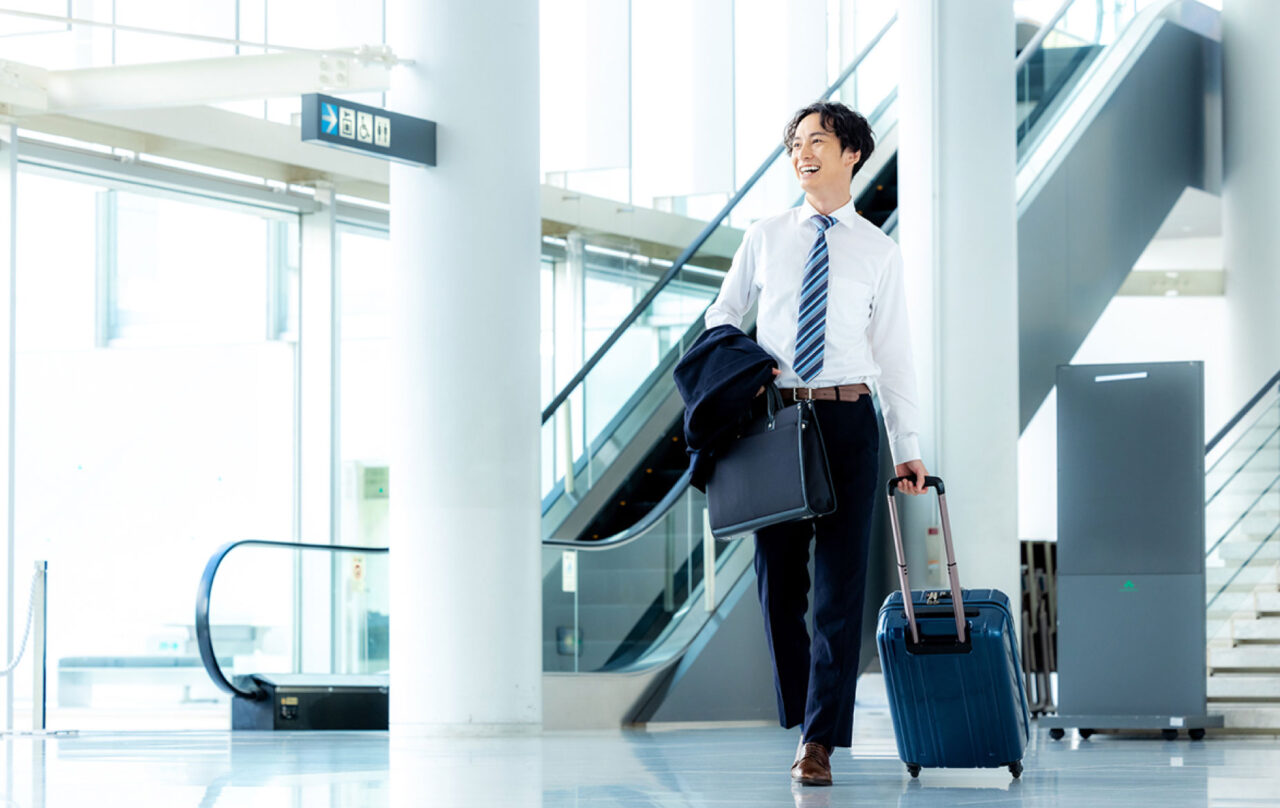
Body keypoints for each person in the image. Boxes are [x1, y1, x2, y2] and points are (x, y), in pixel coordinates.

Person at [703, 100, 928, 787]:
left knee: (839, 591)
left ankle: (818, 740)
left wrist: (907, 444)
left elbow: (893, 356)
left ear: (852, 152)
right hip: (774, 424)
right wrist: (748, 364)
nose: (802, 153)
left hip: (849, 422)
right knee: (779, 587)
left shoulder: (878, 251)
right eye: (795, 144)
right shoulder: (765, 235)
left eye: (817, 141)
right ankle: (805, 714)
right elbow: (721, 314)